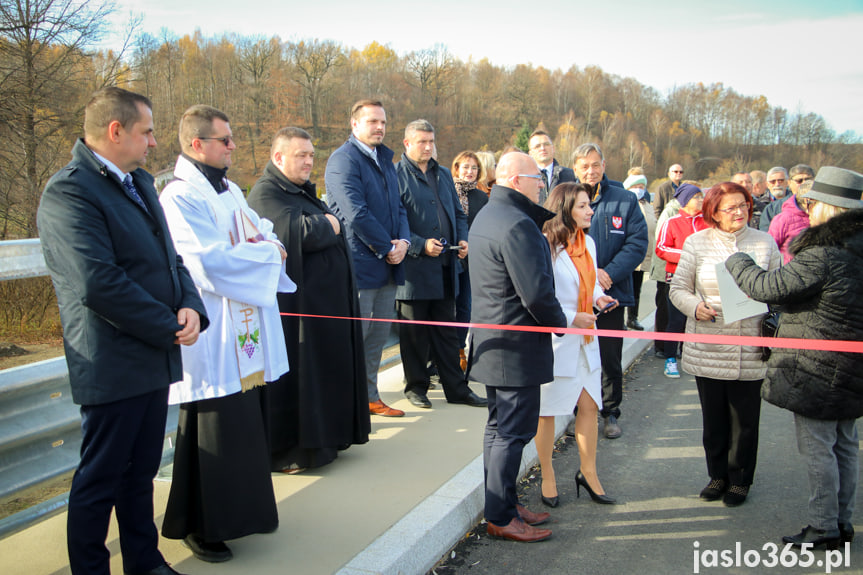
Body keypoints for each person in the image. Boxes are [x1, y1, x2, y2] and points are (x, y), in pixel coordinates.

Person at [36, 87, 207, 575]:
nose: (153, 143)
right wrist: (167, 325)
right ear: (116, 131)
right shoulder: (69, 192)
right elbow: (98, 281)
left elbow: (170, 259)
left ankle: (143, 561)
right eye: (146, 132)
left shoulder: (139, 183)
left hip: (152, 355)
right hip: (111, 358)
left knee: (141, 474)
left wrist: (191, 307)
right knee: (101, 478)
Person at [159, 105, 296, 562]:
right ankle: (203, 523)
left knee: (247, 426)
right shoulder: (180, 198)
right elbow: (209, 264)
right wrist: (264, 252)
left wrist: (265, 247)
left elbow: (265, 233)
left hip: (246, 334)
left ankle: (247, 513)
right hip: (215, 335)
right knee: (214, 430)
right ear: (197, 144)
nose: (234, 146)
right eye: (226, 140)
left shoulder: (231, 189)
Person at [726, 166, 863, 549]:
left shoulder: (824, 253)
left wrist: (738, 261)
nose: (808, 207)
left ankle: (823, 527)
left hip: (817, 367)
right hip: (851, 365)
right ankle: (842, 521)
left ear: (827, 209)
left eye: (813, 202)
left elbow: (768, 287)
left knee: (819, 448)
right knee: (845, 444)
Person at [247, 127, 371, 473]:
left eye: (311, 155)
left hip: (324, 308)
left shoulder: (300, 192)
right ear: (278, 157)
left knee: (328, 373)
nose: (308, 161)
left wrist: (325, 223)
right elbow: (289, 234)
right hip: (297, 314)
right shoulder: (266, 193)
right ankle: (296, 450)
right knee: (302, 382)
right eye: (300, 155)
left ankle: (330, 437)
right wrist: (328, 223)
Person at [469, 151, 567, 542]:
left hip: (498, 343)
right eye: (535, 178)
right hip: (516, 346)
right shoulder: (517, 224)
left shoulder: (490, 215)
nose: (541, 184)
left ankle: (504, 505)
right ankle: (500, 515)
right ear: (514, 180)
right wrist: (561, 324)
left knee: (499, 430)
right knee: (511, 432)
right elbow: (536, 293)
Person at [669, 181, 781, 507]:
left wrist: (766, 298)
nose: (739, 212)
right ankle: (717, 475)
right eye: (730, 207)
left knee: (745, 422)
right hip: (710, 343)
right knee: (713, 420)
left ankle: (740, 479)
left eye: (743, 205)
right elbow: (677, 289)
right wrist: (695, 307)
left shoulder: (764, 243)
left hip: (751, 346)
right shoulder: (697, 243)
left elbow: (779, 287)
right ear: (714, 212)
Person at [325, 99, 411, 417]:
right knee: (355, 337)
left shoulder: (385, 160)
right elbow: (354, 213)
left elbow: (399, 207)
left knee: (377, 337)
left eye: (383, 122)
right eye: (372, 121)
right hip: (360, 265)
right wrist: (386, 248)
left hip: (389, 265)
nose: (379, 127)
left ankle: (370, 397)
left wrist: (402, 241)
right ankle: (344, 406)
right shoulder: (343, 161)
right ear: (355, 124)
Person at [537, 182, 618, 509]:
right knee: (548, 414)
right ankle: (547, 475)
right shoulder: (546, 247)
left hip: (587, 341)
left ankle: (589, 473)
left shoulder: (589, 243)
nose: (590, 211)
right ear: (565, 208)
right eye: (583, 206)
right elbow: (543, 297)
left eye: (589, 205)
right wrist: (572, 317)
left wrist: (599, 296)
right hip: (559, 341)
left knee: (589, 407)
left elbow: (590, 281)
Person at [395, 120, 486, 408]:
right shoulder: (395, 175)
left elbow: (458, 214)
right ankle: (416, 388)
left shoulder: (444, 173)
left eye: (431, 141)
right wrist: (421, 245)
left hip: (447, 268)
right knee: (415, 336)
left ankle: (457, 390)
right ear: (407, 143)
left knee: (448, 333)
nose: (428, 146)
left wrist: (464, 239)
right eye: (422, 141)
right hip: (414, 272)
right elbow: (392, 223)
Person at [572, 143, 648, 439]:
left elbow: (637, 243)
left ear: (603, 165)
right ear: (575, 168)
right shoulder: (568, 198)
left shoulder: (625, 199)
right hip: (576, 294)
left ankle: (610, 411)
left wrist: (607, 273)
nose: (590, 171)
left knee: (609, 355)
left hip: (610, 294)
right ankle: (580, 412)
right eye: (584, 166)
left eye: (595, 164)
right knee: (577, 355)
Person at [655, 184, 708, 378]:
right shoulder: (672, 222)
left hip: (702, 279)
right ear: (685, 200)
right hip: (677, 278)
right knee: (676, 320)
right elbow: (661, 248)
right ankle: (670, 359)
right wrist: (687, 255)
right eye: (696, 197)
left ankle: (692, 357)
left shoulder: (708, 222)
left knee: (699, 319)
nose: (701, 201)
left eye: (702, 197)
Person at [452, 150, 489, 369]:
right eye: (465, 167)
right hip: (449, 256)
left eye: (474, 168)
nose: (469, 171)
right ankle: (439, 356)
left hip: (471, 260)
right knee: (447, 306)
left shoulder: (481, 197)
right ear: (456, 168)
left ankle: (459, 349)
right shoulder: (447, 192)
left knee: (465, 306)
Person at [622, 172, 655, 331]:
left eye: (641, 187)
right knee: (622, 289)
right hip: (626, 255)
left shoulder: (648, 205)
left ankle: (632, 318)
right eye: (635, 186)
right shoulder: (624, 203)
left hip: (643, 256)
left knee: (636, 289)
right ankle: (620, 319)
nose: (639, 189)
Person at [768, 179, 812, 264]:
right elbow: (770, 248)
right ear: (807, 200)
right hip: (790, 271)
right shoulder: (783, 219)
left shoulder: (822, 217)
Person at [527, 129, 575, 204]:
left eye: (546, 144)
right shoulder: (527, 179)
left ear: (553, 149)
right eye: (537, 146)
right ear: (530, 154)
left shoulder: (570, 175)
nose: (542, 148)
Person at [758, 166, 790, 231]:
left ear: (787, 182)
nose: (777, 184)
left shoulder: (795, 201)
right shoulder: (759, 204)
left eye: (781, 181)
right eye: (773, 181)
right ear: (767, 184)